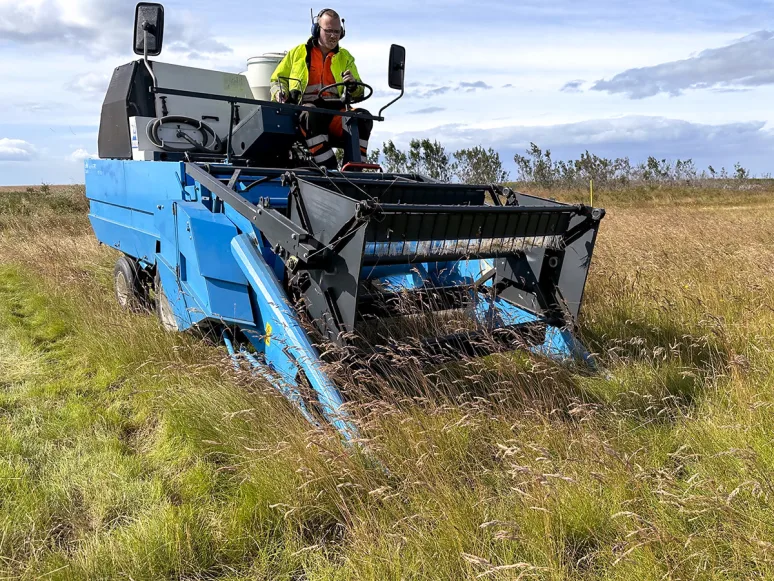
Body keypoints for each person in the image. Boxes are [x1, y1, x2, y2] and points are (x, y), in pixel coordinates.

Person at [270, 8, 373, 169]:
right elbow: (277, 80)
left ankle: (354, 169)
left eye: (337, 32)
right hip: (306, 110)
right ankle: (329, 168)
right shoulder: (298, 53)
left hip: (335, 111)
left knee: (363, 117)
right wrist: (279, 93)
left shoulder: (345, 57)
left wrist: (353, 85)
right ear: (317, 30)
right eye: (329, 31)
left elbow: (359, 91)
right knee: (312, 114)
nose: (333, 36)